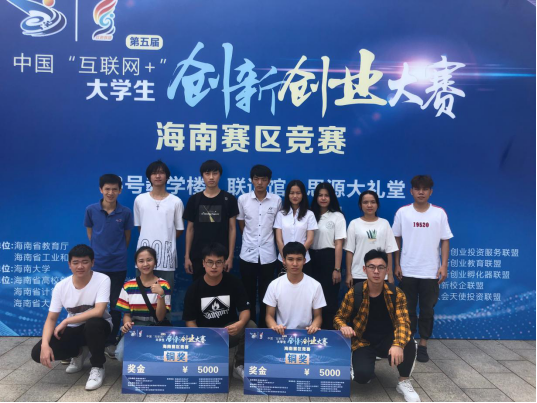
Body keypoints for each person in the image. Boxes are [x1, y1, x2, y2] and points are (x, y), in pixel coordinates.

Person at [334, 249, 420, 402]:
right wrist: (343, 326)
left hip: (388, 340)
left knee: (407, 340)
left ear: (387, 270)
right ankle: (361, 364)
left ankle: (404, 381)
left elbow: (403, 322)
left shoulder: (397, 293)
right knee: (362, 377)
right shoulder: (355, 292)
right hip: (363, 342)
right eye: (371, 267)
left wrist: (398, 344)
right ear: (364, 269)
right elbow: (339, 317)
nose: (376, 271)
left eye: (381, 267)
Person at [31, 245, 113, 391]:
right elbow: (51, 319)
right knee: (37, 353)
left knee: (93, 324)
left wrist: (66, 320)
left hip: (100, 327)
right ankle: (79, 352)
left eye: (85, 262)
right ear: (69, 264)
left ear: (92, 262)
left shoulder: (102, 279)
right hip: (75, 329)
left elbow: (99, 311)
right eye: (75, 262)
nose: (80, 266)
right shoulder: (61, 286)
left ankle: (98, 366)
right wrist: (45, 344)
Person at [393, 175, 453, 363]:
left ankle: (423, 345)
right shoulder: (403, 212)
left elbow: (445, 240)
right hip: (408, 271)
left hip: (430, 272)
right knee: (408, 311)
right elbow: (396, 238)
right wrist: (397, 264)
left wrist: (444, 265)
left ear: (430, 192)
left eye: (425, 189)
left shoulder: (439, 213)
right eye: (417, 189)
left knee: (427, 311)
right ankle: (409, 343)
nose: (421, 192)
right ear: (411, 191)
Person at [183, 243, 255, 382]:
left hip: (228, 332)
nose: (214, 266)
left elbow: (245, 310)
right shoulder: (194, 288)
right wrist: (201, 339)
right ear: (203, 263)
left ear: (224, 263)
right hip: (205, 335)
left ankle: (238, 365)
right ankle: (205, 357)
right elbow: (190, 321)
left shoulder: (234, 282)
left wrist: (240, 324)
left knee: (250, 326)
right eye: (210, 262)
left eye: (218, 262)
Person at [84, 173, 134, 359]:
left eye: (114, 189)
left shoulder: (125, 212)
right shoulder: (91, 210)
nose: (110, 192)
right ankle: (93, 341)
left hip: (118, 266)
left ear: (120, 191)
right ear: (101, 190)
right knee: (95, 304)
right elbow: (91, 234)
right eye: (107, 189)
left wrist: (116, 252)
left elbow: (127, 238)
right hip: (97, 266)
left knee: (115, 305)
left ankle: (111, 342)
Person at [237, 165, 282, 328]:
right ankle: (249, 329)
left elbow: (278, 227)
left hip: (268, 255)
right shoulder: (243, 199)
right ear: (251, 180)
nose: (260, 182)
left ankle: (264, 329)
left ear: (269, 181)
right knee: (247, 294)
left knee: (266, 295)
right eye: (256, 179)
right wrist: (250, 240)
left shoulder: (276, 200)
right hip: (247, 254)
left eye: (264, 179)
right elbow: (241, 224)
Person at [184, 160, 239, 281]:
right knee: (199, 288)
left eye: (215, 173)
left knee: (221, 290)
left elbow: (232, 229)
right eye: (207, 173)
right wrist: (187, 257)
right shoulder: (194, 200)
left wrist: (230, 257)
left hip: (221, 257)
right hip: (198, 256)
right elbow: (190, 229)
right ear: (202, 176)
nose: (211, 177)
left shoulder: (229, 199)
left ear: (220, 175)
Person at [134, 160, 184, 292]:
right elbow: (140, 227)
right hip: (143, 257)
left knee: (165, 295)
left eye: (161, 173)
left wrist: (165, 240)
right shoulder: (140, 199)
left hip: (166, 258)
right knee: (140, 296)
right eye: (154, 173)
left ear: (167, 176)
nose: (158, 176)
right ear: (149, 177)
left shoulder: (176, 202)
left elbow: (179, 229)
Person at [115, 246, 171, 362]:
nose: (145, 264)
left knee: (159, 356)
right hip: (136, 329)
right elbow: (126, 315)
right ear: (136, 264)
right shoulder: (128, 286)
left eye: (149, 260)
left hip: (156, 328)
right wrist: (127, 324)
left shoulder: (164, 284)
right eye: (141, 261)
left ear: (155, 262)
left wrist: (161, 295)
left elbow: (160, 317)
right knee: (120, 355)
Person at [264, 242, 326, 335]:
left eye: (299, 259)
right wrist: (275, 326)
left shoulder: (315, 285)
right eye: (290, 259)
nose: (295, 264)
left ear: (304, 261)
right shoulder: (274, 285)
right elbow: (269, 316)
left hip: (306, 335)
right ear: (284, 261)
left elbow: (318, 316)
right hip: (282, 334)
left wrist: (314, 326)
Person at [310, 182, 347, 330]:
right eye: (320, 195)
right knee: (311, 297)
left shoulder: (337, 216)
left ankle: (328, 333)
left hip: (329, 258)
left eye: (327, 195)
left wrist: (337, 268)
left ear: (331, 197)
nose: (323, 198)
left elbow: (339, 244)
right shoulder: (310, 214)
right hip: (310, 258)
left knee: (328, 298)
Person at [345, 190, 398, 288]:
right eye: (365, 202)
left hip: (381, 274)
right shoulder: (354, 224)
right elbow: (349, 251)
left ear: (377, 204)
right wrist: (348, 274)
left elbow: (389, 251)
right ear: (360, 205)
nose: (369, 205)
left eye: (373, 202)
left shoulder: (384, 223)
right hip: (359, 274)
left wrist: (389, 274)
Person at [274, 180, 318, 276]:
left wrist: (298, 258)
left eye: (298, 193)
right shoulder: (281, 214)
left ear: (303, 195)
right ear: (288, 195)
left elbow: (310, 239)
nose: (295, 196)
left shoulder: (309, 214)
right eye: (292, 193)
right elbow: (279, 240)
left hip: (304, 261)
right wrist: (285, 258)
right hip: (283, 261)